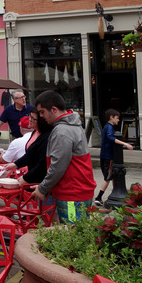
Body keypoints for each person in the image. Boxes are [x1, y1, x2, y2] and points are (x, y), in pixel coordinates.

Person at [31, 91, 96, 224]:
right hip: (79, 191)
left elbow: (58, 166)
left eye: (42, 112)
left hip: (72, 194)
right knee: (79, 231)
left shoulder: (62, 131)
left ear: (54, 110)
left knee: (72, 234)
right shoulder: (73, 125)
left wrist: (42, 188)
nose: (41, 116)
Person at [2, 110, 52, 185]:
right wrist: (16, 164)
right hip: (31, 173)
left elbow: (43, 163)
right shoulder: (35, 132)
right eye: (30, 117)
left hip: (39, 179)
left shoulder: (46, 137)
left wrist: (26, 178)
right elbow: (30, 154)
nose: (30, 120)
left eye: (33, 118)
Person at [95, 109, 134, 205]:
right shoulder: (109, 128)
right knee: (108, 177)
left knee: (113, 175)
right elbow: (111, 138)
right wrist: (125, 144)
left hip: (107, 155)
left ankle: (116, 193)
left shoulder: (108, 127)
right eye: (117, 118)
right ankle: (99, 197)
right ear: (111, 117)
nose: (118, 120)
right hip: (108, 156)